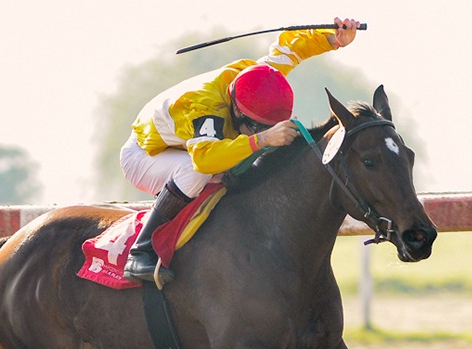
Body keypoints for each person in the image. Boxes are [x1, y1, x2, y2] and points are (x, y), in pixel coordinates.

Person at [119, 17, 362, 285]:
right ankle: (141, 251)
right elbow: (204, 159)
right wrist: (262, 139)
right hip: (144, 155)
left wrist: (333, 39)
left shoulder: (260, 77)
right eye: (255, 125)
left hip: (184, 146)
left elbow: (292, 47)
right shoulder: (207, 108)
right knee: (197, 171)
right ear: (236, 108)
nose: (260, 130)